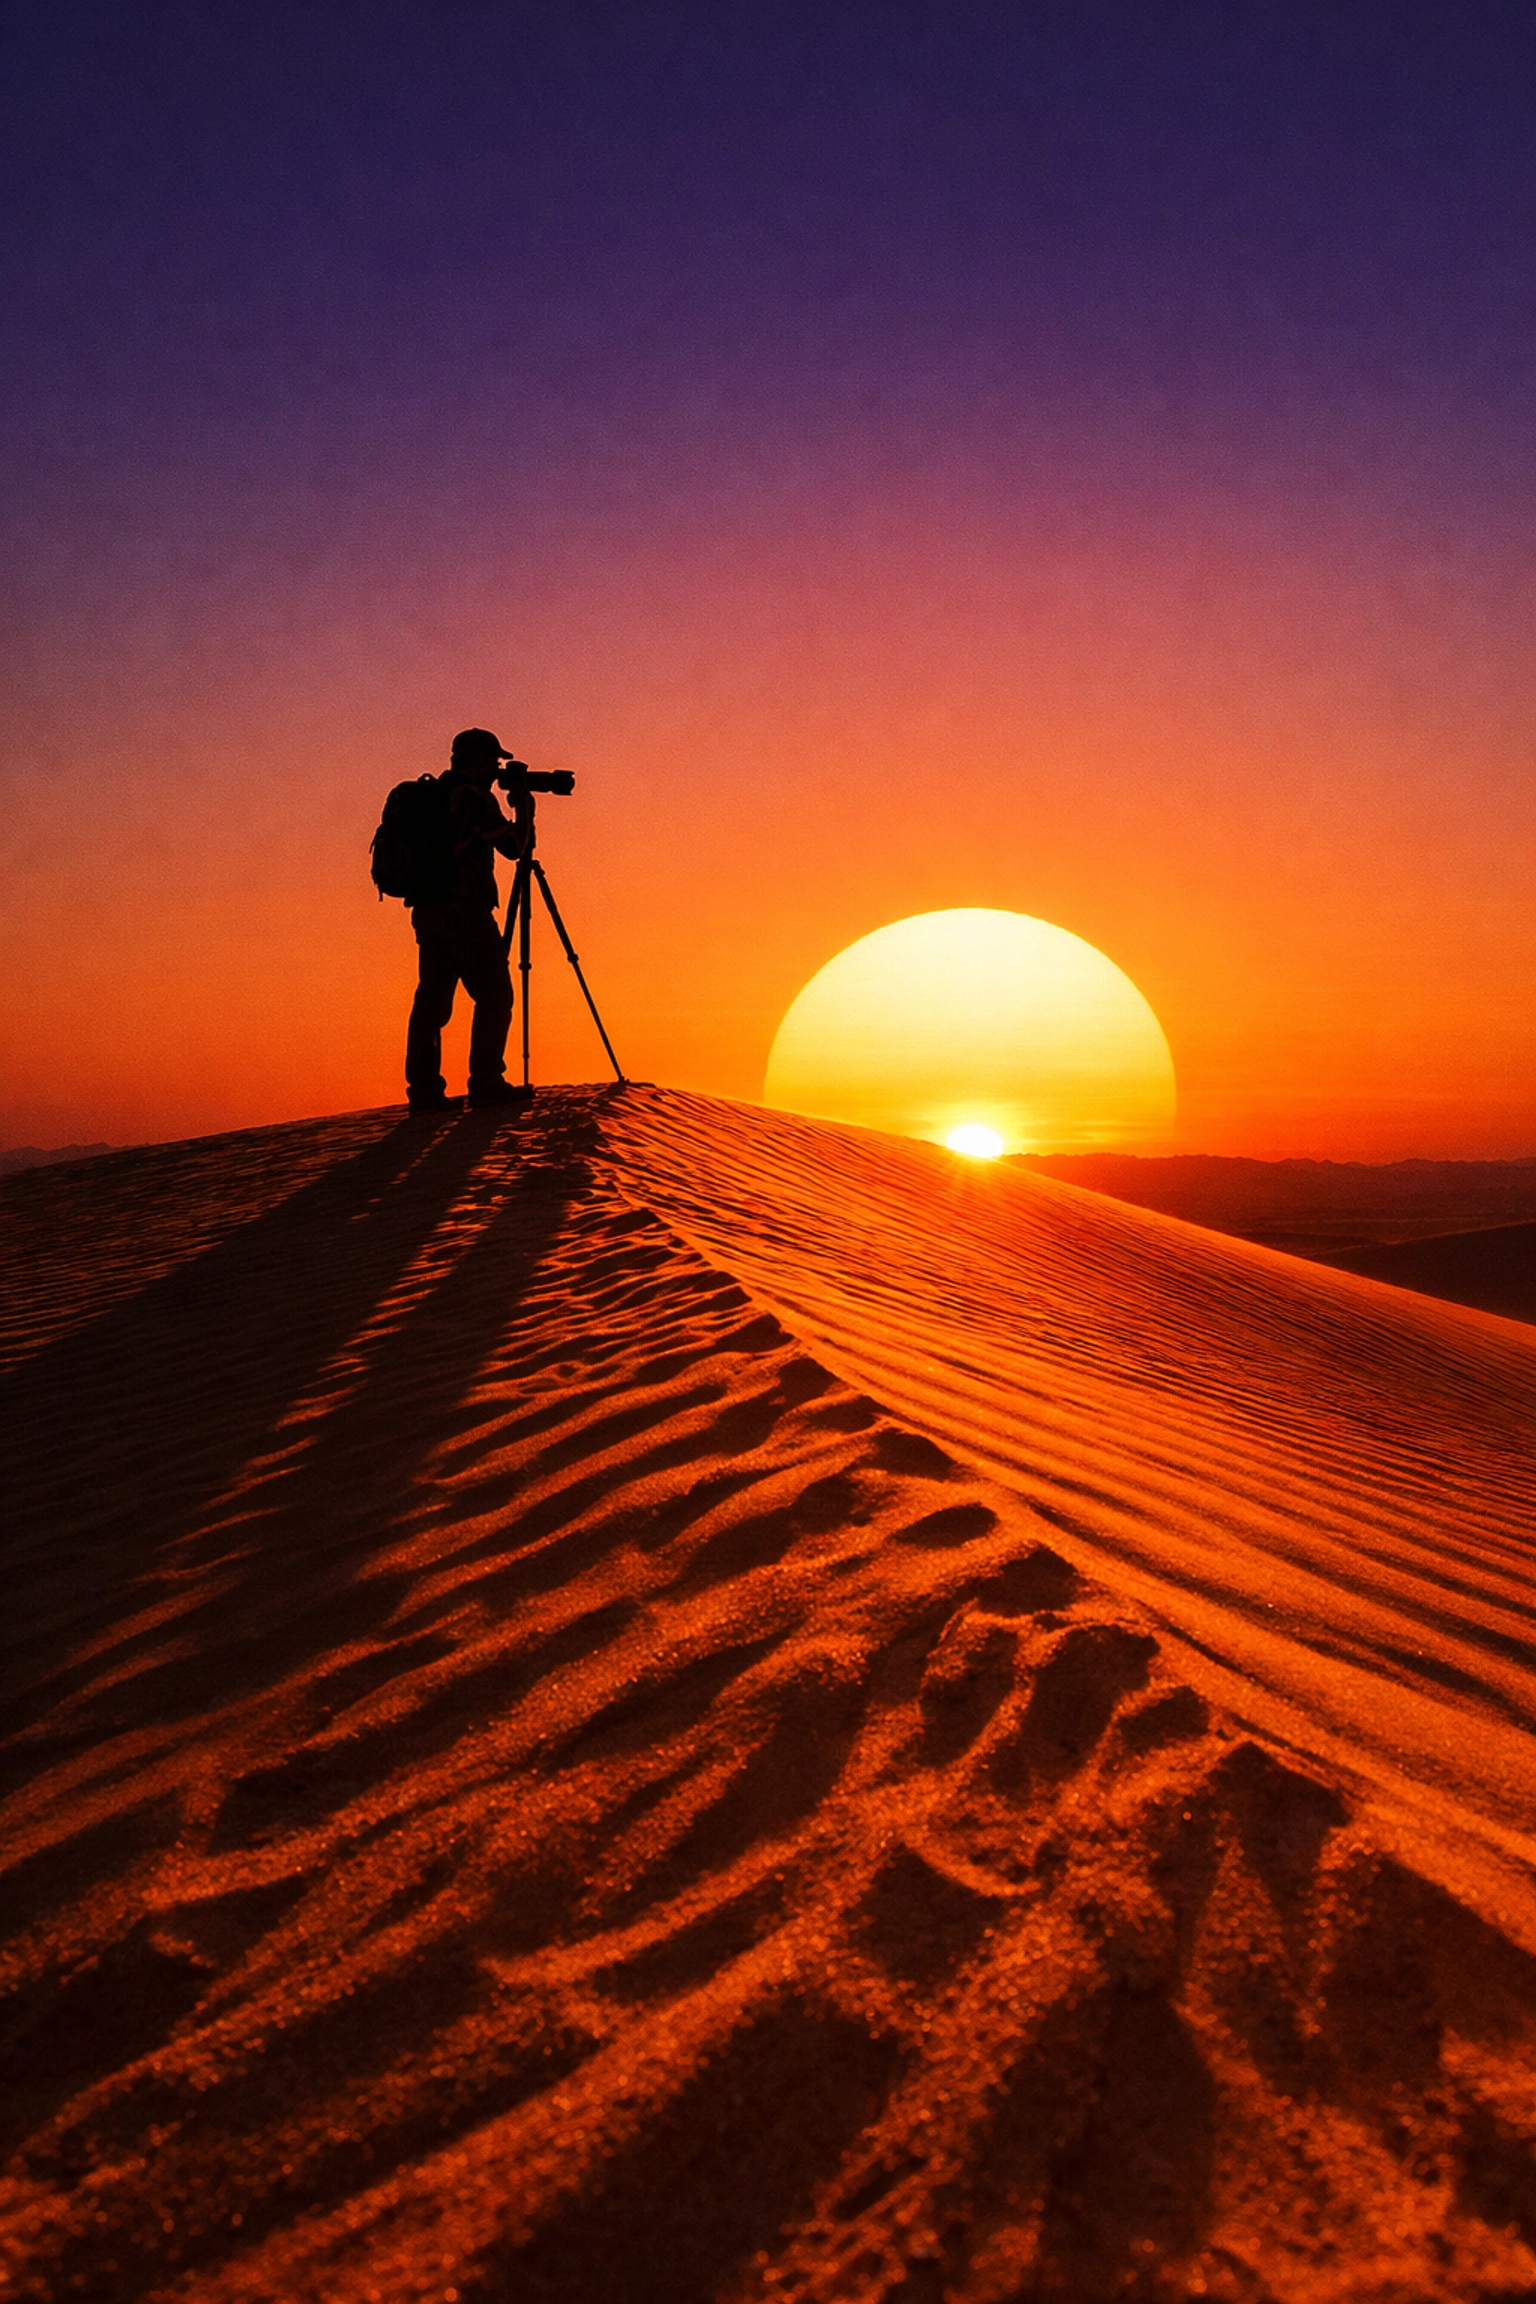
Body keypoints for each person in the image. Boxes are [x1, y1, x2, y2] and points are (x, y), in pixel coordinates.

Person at [405, 727, 531, 1112]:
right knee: (495, 995)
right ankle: (487, 1083)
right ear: (477, 761)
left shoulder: (434, 795)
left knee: (433, 1001)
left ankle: (424, 1092)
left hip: (429, 912)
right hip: (465, 913)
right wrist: (523, 808)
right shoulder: (474, 799)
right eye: (493, 761)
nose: (496, 769)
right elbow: (514, 847)